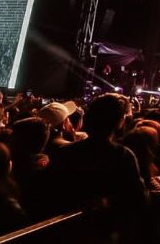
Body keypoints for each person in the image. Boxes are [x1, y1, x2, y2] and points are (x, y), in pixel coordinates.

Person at [48, 94, 147, 237]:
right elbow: (138, 199)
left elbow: (51, 193)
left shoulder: (65, 152)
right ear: (120, 121)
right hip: (104, 231)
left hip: (68, 232)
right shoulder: (123, 156)